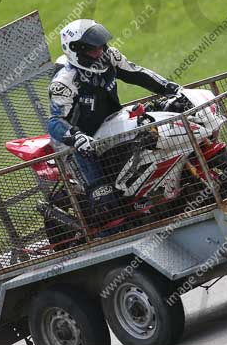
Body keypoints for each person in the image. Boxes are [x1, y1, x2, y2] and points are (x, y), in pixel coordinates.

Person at [47, 18, 183, 231]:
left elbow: (137, 74)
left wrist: (171, 88)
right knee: (107, 203)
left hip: (110, 126)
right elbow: (55, 121)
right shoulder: (64, 81)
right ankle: (105, 239)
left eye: (101, 45)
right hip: (78, 143)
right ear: (76, 50)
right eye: (93, 48)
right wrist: (76, 136)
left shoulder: (109, 57)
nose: (100, 51)